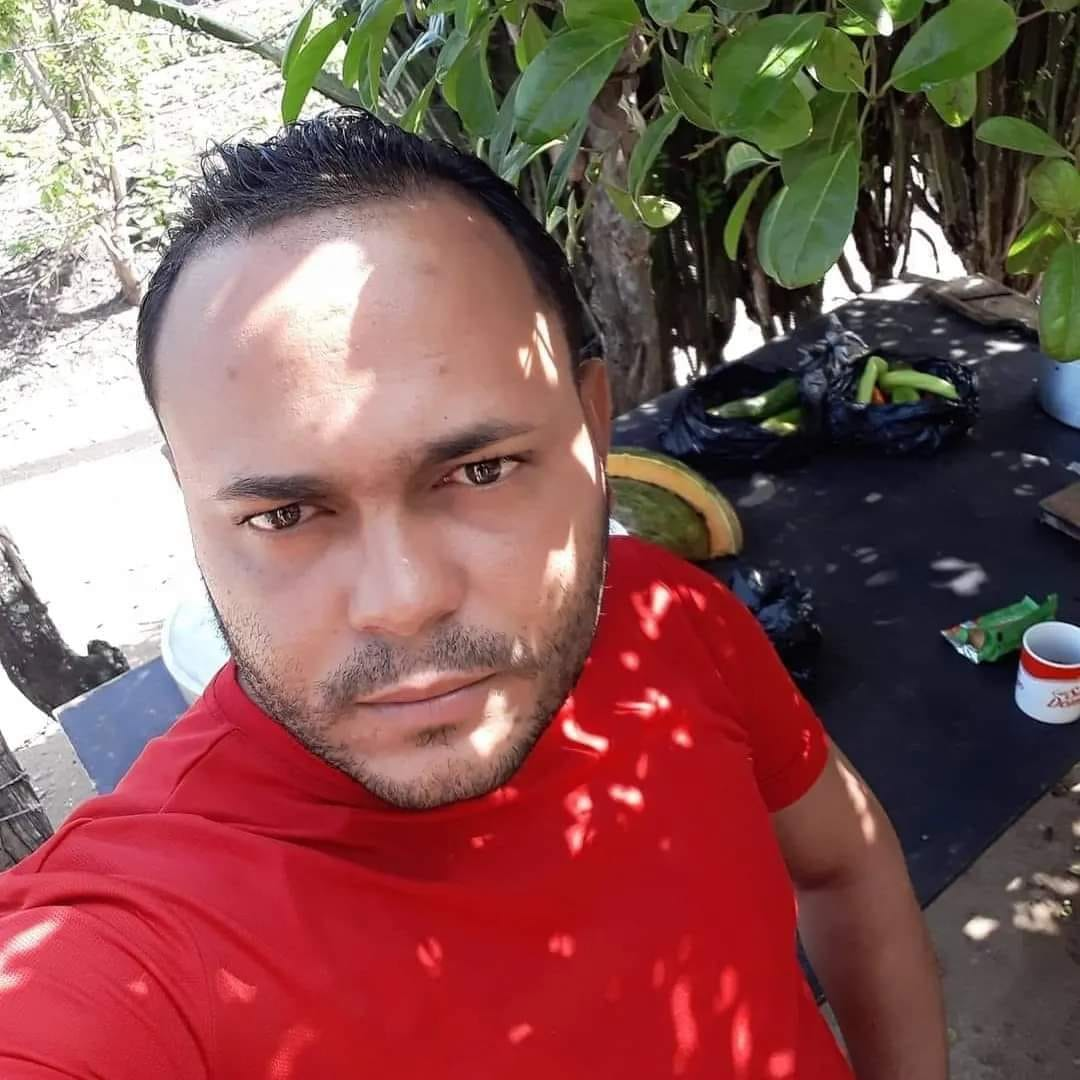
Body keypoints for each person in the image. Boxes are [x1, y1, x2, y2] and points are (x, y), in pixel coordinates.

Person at [0, 110, 946, 1079]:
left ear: (591, 428)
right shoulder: (134, 941)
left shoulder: (667, 614)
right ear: (190, 501)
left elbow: (847, 863)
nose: (403, 601)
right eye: (284, 514)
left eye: (481, 470)